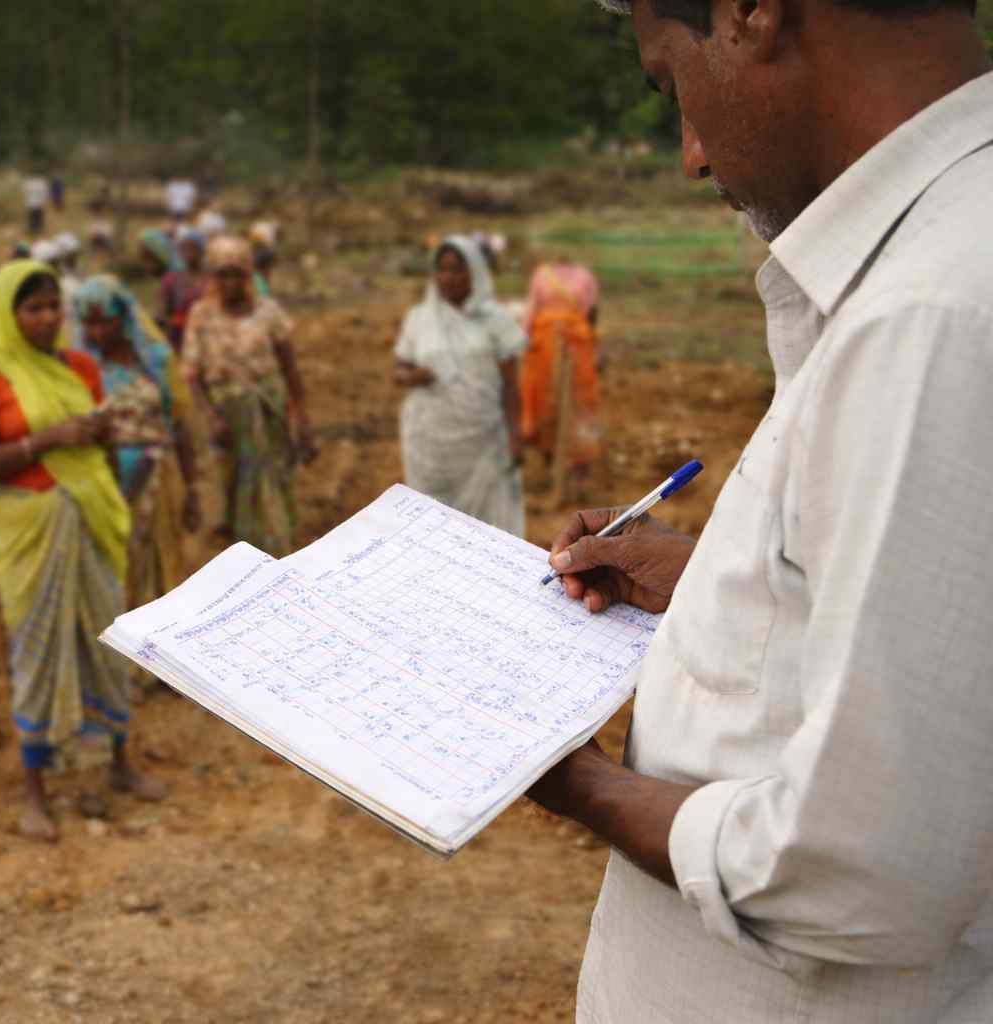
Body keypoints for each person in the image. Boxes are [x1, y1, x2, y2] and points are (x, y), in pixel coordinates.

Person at [527, 3, 993, 1021]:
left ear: (747, 12)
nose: (692, 156)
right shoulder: (949, 247)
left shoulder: (932, 313)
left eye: (671, 82)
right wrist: (720, 576)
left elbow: (871, 869)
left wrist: (577, 784)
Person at [0, 260, 167, 843]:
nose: (47, 318)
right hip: (32, 529)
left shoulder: (78, 366)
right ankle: (35, 791)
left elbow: (94, 439)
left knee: (106, 641)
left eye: (54, 307)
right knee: (40, 649)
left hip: (92, 515)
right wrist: (46, 440)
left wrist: (101, 435)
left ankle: (119, 761)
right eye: (33, 308)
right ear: (9, 312)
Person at [73, 276, 202, 635]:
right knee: (122, 564)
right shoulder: (83, 367)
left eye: (105, 322)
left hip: (161, 476)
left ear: (123, 318)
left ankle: (166, 650)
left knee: (166, 558)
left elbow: (179, 424)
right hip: (111, 478)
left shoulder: (156, 361)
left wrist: (192, 487)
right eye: (89, 323)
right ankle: (129, 658)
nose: (97, 331)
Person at [183, 236, 315, 557]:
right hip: (226, 419)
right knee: (229, 493)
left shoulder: (268, 313)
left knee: (271, 487)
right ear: (211, 277)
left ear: (249, 276)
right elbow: (192, 376)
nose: (230, 283)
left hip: (268, 416)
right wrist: (211, 417)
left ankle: (275, 553)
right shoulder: (201, 315)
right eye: (222, 274)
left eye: (237, 274)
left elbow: (290, 368)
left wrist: (301, 417)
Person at [393, 235, 527, 536]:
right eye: (441, 270)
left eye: (456, 270)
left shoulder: (497, 321)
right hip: (430, 444)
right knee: (433, 525)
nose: (447, 277)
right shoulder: (419, 319)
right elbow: (399, 370)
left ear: (476, 273)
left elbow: (510, 385)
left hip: (483, 442)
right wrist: (413, 376)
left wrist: (515, 437)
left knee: (488, 528)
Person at [520, 257, 602, 501]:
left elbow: (592, 313)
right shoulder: (541, 274)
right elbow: (531, 310)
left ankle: (579, 471)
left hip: (577, 345)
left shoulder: (585, 276)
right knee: (544, 404)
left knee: (581, 404)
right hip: (543, 348)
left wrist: (595, 348)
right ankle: (549, 465)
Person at [159, 228, 207, 351]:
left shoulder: (211, 279)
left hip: (206, 337)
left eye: (193, 248)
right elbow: (163, 312)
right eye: (184, 248)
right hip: (178, 338)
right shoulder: (171, 279)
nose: (189, 252)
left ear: (202, 251)